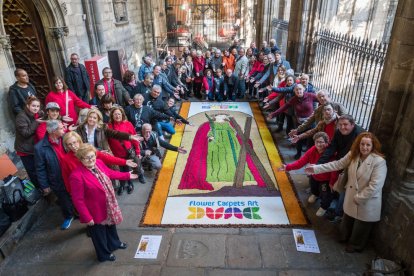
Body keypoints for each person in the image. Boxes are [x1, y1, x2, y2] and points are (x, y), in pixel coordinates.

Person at [305, 132, 387, 253]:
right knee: (347, 218)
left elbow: (375, 185)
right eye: (362, 144)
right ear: (358, 145)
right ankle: (343, 237)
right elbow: (337, 164)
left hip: (367, 199)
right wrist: (316, 168)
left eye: (368, 145)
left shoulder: (379, 162)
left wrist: (360, 198)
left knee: (362, 225)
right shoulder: (353, 155)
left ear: (373, 146)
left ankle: (356, 245)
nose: (364, 147)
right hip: (352, 195)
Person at [70, 144, 137, 262]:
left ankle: (114, 244)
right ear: (81, 159)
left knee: (111, 226)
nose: (91, 159)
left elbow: (110, 173)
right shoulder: (76, 176)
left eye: (92, 156)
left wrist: (127, 175)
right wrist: (87, 217)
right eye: (87, 158)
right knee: (99, 234)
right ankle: (104, 254)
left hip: (108, 204)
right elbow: (78, 200)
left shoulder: (99, 163)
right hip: (94, 211)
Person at [279, 132, 335, 216]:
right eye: (317, 142)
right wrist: (287, 167)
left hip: (326, 179)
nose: (319, 144)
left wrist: (332, 182)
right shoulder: (312, 150)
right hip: (315, 176)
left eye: (321, 142)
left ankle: (324, 207)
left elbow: (334, 169)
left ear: (327, 143)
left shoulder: (331, 153)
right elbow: (301, 162)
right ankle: (315, 195)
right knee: (313, 187)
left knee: (326, 194)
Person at [62, 131, 137, 193]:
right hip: (84, 191)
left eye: (74, 142)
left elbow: (107, 158)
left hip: (99, 186)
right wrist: (72, 193)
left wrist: (124, 162)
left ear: (79, 141)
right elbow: (66, 178)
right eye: (70, 144)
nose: (73, 146)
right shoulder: (66, 159)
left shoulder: (88, 149)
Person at [35, 120, 75, 230]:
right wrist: (44, 185)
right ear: (53, 131)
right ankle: (68, 216)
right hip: (57, 178)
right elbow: (40, 168)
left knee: (77, 195)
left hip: (72, 174)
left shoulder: (66, 139)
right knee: (64, 200)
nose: (64, 129)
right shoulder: (40, 148)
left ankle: (80, 212)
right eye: (61, 128)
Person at [267, 84, 318, 159]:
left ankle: (309, 156)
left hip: (311, 123)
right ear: (294, 91)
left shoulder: (310, 95)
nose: (298, 91)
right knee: (298, 139)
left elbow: (321, 99)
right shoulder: (293, 99)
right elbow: (284, 107)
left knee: (310, 141)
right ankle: (298, 153)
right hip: (299, 123)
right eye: (296, 89)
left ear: (303, 89)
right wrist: (273, 114)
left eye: (300, 89)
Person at [107, 107, 145, 194]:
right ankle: (122, 185)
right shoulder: (108, 127)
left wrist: (138, 152)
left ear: (122, 115)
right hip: (116, 154)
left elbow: (134, 139)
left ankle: (130, 184)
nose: (117, 116)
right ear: (112, 115)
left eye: (119, 114)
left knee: (128, 169)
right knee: (121, 170)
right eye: (115, 114)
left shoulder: (128, 124)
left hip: (128, 152)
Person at [14, 96, 42, 188]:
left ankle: (43, 185)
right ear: (27, 105)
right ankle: (39, 188)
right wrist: (36, 122)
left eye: (38, 106)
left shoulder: (36, 114)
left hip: (33, 146)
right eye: (33, 106)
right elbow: (26, 133)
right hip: (25, 150)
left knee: (38, 168)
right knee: (32, 170)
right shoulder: (21, 117)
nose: (36, 108)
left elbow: (42, 114)